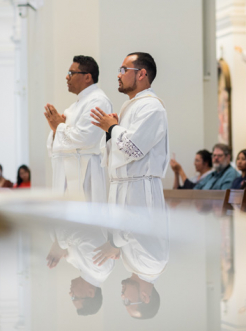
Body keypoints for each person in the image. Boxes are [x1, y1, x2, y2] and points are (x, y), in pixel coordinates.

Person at [90, 52, 168, 209]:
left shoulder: (152, 106)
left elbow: (133, 149)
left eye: (124, 70)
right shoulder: (130, 106)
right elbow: (113, 155)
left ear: (141, 74)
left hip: (140, 193)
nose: (119, 75)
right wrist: (109, 132)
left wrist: (112, 127)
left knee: (140, 234)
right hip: (119, 188)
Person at [46, 55, 111, 202]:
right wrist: (57, 130)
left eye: (71, 73)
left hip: (86, 173)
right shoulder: (75, 106)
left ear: (87, 77)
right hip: (69, 172)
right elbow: (61, 142)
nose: (67, 78)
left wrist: (59, 127)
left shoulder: (98, 100)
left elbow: (85, 138)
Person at [46, 225, 114, 316]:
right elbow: (83, 230)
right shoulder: (100, 268)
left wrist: (59, 244)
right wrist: (60, 245)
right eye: (74, 297)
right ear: (90, 293)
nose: (70, 293)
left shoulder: (83, 269)